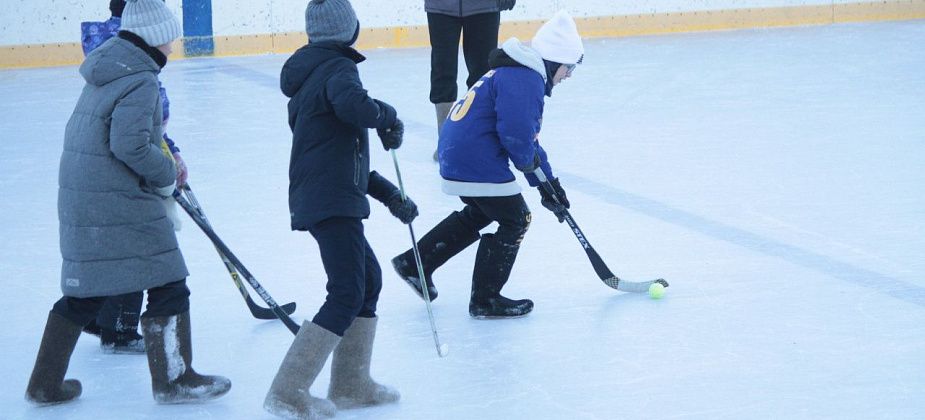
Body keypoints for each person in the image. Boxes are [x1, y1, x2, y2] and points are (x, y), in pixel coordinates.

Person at [25, 0, 229, 405]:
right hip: (115, 198)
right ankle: (174, 379)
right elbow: (130, 144)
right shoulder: (141, 80)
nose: (173, 45)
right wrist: (166, 173)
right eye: (169, 37)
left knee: (88, 291)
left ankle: (43, 383)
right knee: (169, 279)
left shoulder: (110, 69)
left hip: (89, 197)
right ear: (153, 36)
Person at [263, 1, 415, 418]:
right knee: (348, 290)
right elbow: (356, 107)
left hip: (328, 195)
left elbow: (342, 158)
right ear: (349, 31)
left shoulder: (316, 76)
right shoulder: (338, 70)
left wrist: (389, 196)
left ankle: (351, 384)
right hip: (329, 201)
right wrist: (386, 114)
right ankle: (287, 392)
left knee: (367, 280)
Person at [391, 10, 584, 318]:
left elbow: (526, 140)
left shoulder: (518, 71)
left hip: (460, 152)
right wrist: (543, 187)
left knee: (483, 211)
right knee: (516, 219)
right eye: (569, 67)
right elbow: (518, 140)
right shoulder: (526, 79)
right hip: (473, 158)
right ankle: (486, 298)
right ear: (555, 60)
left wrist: (550, 184)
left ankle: (416, 262)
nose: (569, 75)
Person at [79, 0, 190, 354]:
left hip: (104, 166)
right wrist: (166, 165)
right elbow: (133, 137)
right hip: (123, 171)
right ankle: (122, 327)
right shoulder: (134, 62)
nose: (171, 47)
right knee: (141, 250)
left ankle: (101, 314)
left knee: (118, 248)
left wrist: (167, 148)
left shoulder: (112, 52)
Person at [425, 0, 516, 160]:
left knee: (483, 75)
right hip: (441, 7)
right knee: (442, 71)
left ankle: (477, 138)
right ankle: (446, 140)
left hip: (483, 7)